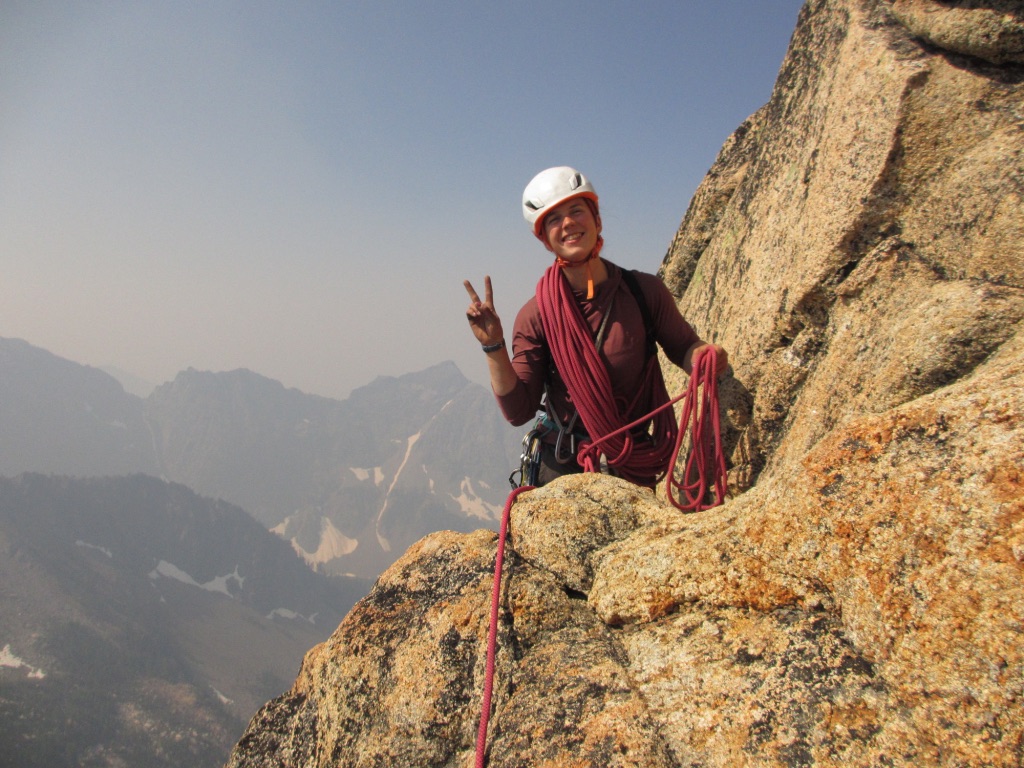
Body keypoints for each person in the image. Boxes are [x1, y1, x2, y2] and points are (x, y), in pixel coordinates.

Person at [464, 166, 727, 488]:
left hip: (631, 461)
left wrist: (704, 357)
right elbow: (519, 411)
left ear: (597, 220)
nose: (568, 223)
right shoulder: (536, 315)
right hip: (564, 466)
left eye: (577, 211)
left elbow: (684, 347)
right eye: (553, 219)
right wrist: (493, 346)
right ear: (545, 239)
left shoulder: (644, 292)